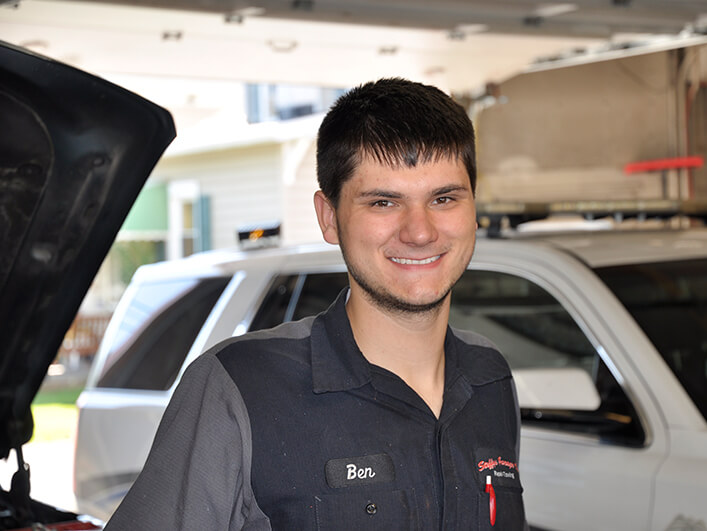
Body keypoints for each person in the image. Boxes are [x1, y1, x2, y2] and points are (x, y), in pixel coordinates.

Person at [105, 77, 525, 530]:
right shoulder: (242, 388)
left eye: (444, 198)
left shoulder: (490, 379)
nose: (420, 232)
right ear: (329, 217)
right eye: (384, 202)